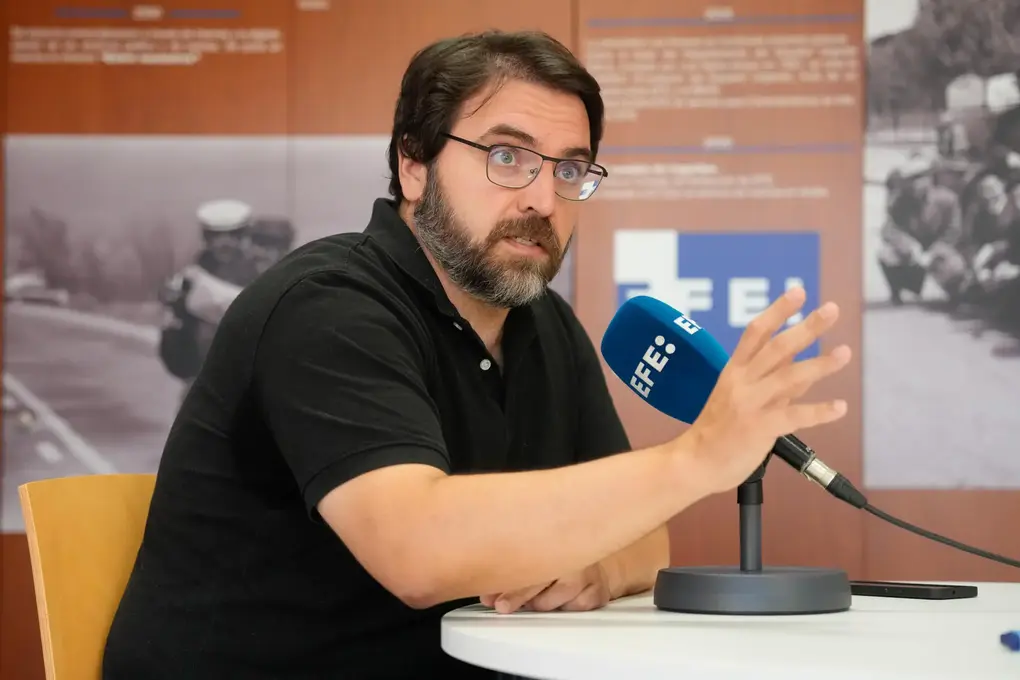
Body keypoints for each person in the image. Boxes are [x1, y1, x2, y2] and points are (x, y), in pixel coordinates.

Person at [102, 30, 851, 680]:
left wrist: (596, 565)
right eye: (506, 156)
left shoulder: (544, 323)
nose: (543, 199)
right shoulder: (326, 308)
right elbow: (416, 551)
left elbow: (644, 538)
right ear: (413, 165)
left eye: (569, 169)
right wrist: (696, 459)